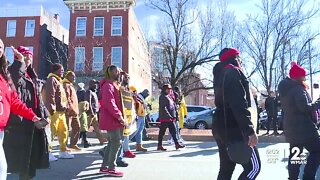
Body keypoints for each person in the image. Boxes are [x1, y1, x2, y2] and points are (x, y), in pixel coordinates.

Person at [212, 48, 260, 179]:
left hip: (221, 126)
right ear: (235, 58)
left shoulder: (220, 74)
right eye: (240, 59)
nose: (241, 62)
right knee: (254, 168)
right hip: (235, 127)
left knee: (226, 169)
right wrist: (250, 131)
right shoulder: (233, 72)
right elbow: (238, 105)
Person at [3, 46, 49, 180]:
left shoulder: (32, 75)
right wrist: (20, 63)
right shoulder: (12, 71)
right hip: (20, 122)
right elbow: (15, 82)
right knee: (20, 158)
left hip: (33, 120)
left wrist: (45, 115)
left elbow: (38, 98)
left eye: (30, 57)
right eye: (25, 56)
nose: (28, 59)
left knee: (31, 158)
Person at [278, 62, 320, 180]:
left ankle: (293, 178)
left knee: (295, 156)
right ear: (298, 77)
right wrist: (317, 103)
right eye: (303, 76)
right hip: (305, 129)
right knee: (317, 151)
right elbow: (305, 108)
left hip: (292, 130)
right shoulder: (298, 89)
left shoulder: (285, 90)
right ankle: (308, 177)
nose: (305, 78)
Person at [43, 63, 74, 159]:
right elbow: (50, 95)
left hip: (61, 112)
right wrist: (51, 108)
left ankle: (63, 151)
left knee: (64, 131)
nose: (63, 72)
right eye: (61, 70)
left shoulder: (58, 81)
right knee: (51, 131)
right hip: (54, 111)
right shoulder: (51, 80)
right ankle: (48, 152)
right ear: (55, 70)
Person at [99, 65, 124, 177]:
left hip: (113, 118)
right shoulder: (108, 86)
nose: (119, 73)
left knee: (111, 143)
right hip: (111, 119)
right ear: (111, 73)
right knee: (116, 142)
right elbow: (109, 103)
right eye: (117, 71)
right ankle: (111, 168)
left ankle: (104, 167)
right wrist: (119, 116)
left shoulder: (114, 85)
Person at [157, 84, 185, 151]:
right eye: (168, 89)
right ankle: (159, 145)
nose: (169, 90)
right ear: (164, 89)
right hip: (165, 118)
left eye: (170, 89)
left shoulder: (168, 97)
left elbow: (172, 107)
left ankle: (176, 144)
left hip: (170, 118)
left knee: (174, 131)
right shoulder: (163, 97)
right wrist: (169, 116)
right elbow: (164, 108)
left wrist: (174, 116)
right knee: (162, 132)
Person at [63, 71, 81, 151]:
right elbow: (67, 99)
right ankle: (64, 145)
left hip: (75, 111)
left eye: (74, 76)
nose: (74, 78)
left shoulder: (71, 85)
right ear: (68, 76)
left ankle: (73, 144)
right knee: (66, 128)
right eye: (72, 76)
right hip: (68, 111)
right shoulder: (65, 85)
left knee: (77, 127)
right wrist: (71, 109)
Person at [85, 79, 107, 145]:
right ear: (90, 84)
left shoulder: (94, 92)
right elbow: (88, 102)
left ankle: (101, 139)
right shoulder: (88, 92)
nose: (95, 85)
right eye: (94, 84)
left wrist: (98, 82)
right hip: (90, 113)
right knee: (86, 127)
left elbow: (100, 87)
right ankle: (83, 140)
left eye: (96, 84)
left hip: (95, 113)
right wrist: (91, 112)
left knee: (97, 127)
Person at [77, 83, 91, 148]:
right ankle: (83, 141)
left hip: (80, 110)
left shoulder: (77, 92)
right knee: (83, 128)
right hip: (82, 110)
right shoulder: (84, 93)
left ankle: (82, 140)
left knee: (83, 127)